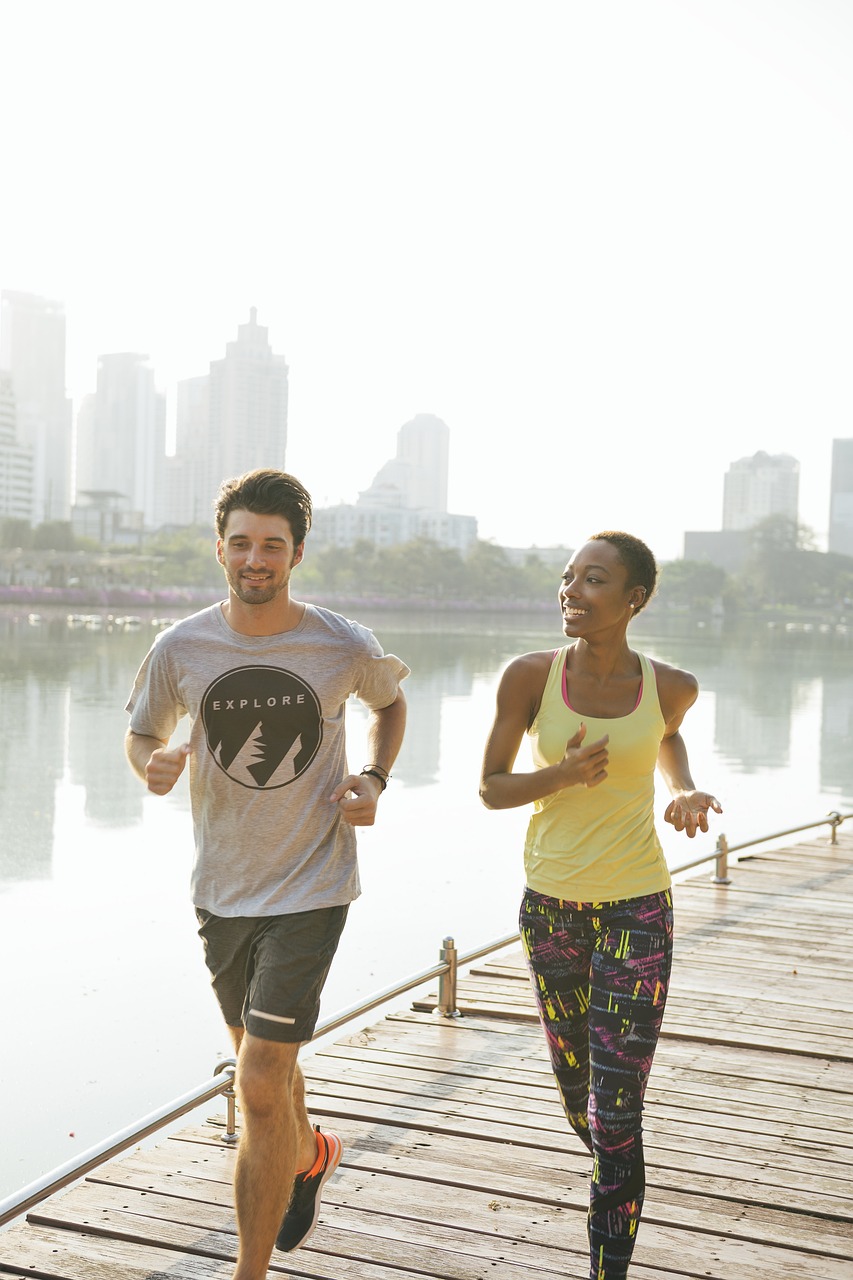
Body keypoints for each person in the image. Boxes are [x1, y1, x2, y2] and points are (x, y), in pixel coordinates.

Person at [124, 468, 408, 1280]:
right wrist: (152, 764)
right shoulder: (180, 647)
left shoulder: (338, 642)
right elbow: (142, 734)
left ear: (297, 553)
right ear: (220, 549)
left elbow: (388, 703)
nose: (256, 557)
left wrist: (374, 779)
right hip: (221, 889)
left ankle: (248, 1273)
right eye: (242, 542)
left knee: (255, 1081)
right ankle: (310, 1153)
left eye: (272, 545)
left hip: (313, 884)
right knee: (266, 1064)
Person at [479, 531, 721, 1280]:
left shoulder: (671, 684)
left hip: (637, 908)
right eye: (567, 577)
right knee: (580, 1096)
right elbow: (490, 787)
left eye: (592, 580)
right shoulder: (527, 677)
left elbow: (667, 734)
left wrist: (680, 788)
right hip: (550, 907)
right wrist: (561, 774)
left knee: (616, 1114)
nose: (571, 591)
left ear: (633, 599)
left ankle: (606, 1266)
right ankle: (620, 1176)